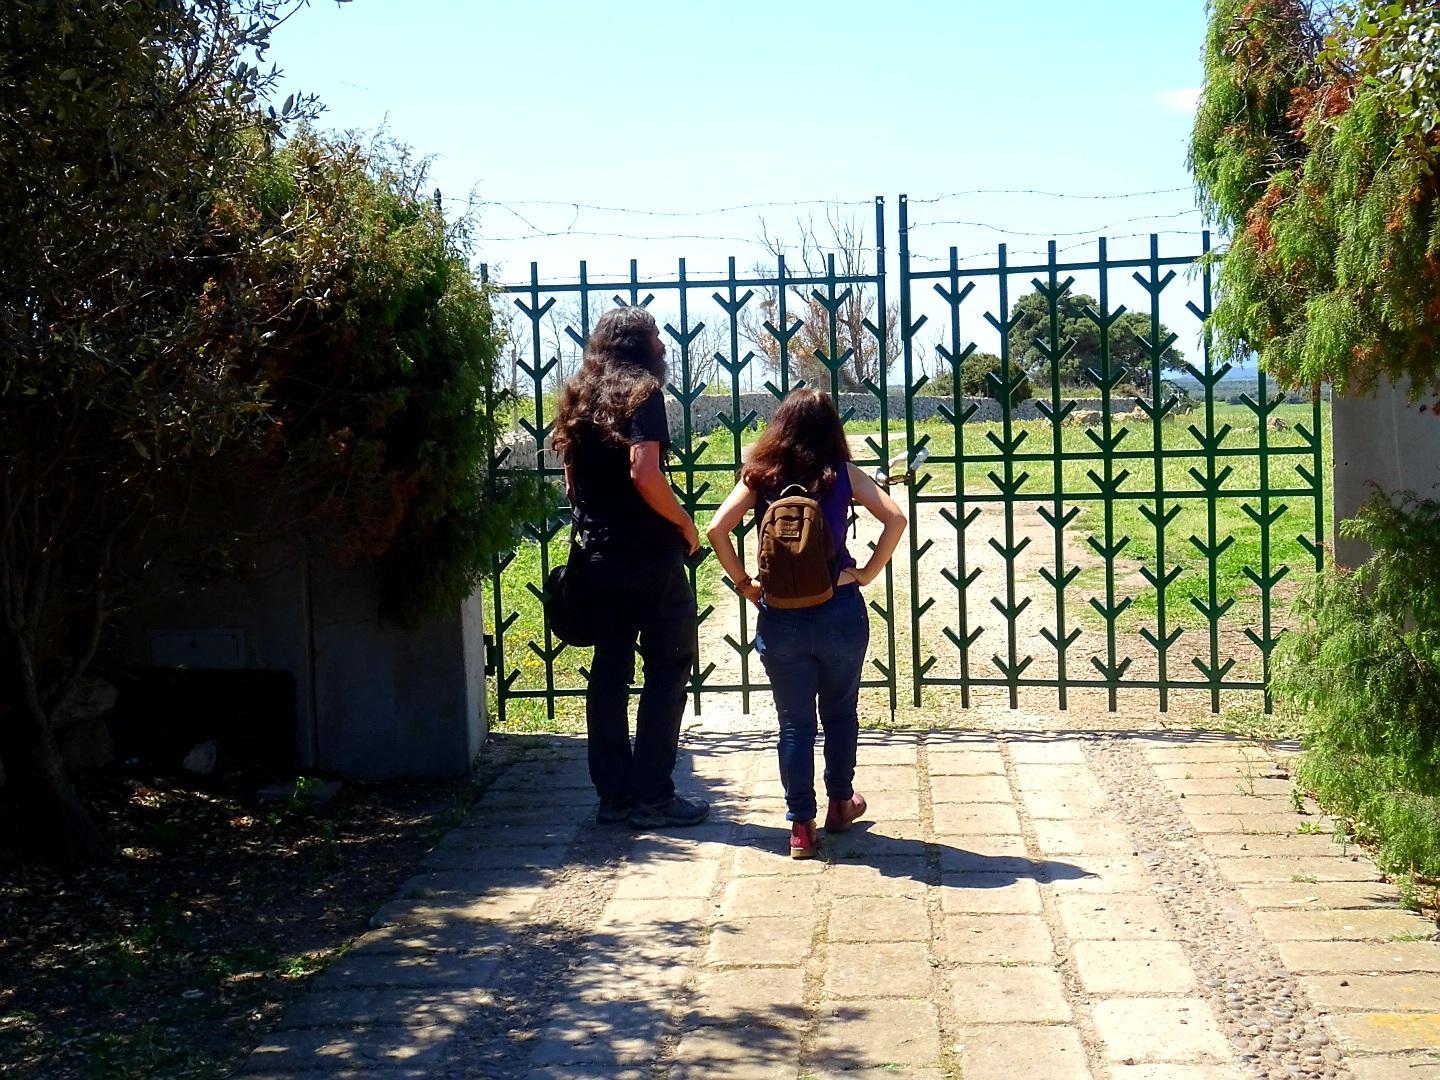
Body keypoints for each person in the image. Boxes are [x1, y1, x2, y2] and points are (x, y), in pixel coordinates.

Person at [706, 389, 906, 858]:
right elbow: (894, 518)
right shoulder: (842, 476)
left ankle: (800, 827)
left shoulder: (760, 476)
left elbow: (717, 529)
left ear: (781, 427)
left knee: (794, 724)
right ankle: (841, 803)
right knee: (839, 711)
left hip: (782, 616)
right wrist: (867, 572)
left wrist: (744, 583)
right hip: (838, 607)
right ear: (831, 429)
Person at [551, 306, 710, 829]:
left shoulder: (577, 399)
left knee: (610, 670)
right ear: (640, 346)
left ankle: (613, 797)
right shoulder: (643, 395)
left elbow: (573, 485)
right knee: (669, 665)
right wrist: (685, 524)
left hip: (597, 556)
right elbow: (645, 474)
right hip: (649, 556)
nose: (664, 346)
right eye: (658, 337)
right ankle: (653, 795)